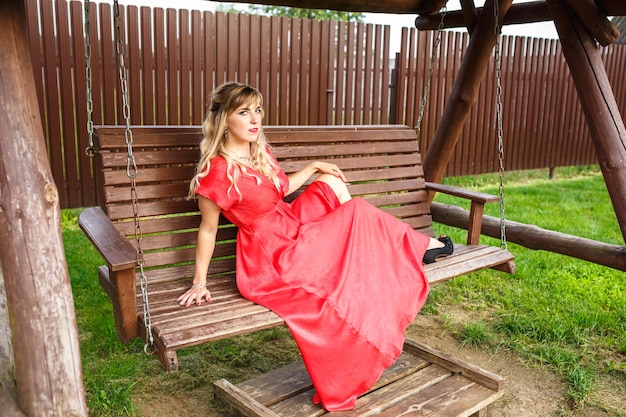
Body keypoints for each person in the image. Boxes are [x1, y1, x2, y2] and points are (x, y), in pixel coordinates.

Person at [177, 82, 453, 411]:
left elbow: (278, 190)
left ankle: (367, 258)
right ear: (224, 119)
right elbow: (207, 230)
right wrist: (199, 282)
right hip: (274, 253)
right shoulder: (217, 174)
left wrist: (313, 169)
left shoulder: (257, 151)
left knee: (330, 182)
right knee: (358, 210)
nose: (255, 119)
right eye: (244, 112)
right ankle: (401, 251)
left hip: (290, 221)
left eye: (258, 110)